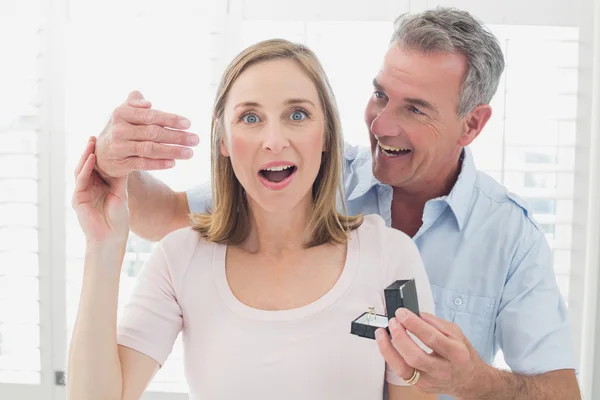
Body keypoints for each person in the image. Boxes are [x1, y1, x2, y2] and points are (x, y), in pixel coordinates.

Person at [89, 8, 582, 400]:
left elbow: (562, 392)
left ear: (471, 125)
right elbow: (165, 217)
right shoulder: (293, 177)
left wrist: (472, 380)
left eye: (414, 108)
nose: (381, 124)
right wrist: (113, 163)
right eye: (379, 95)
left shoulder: (501, 238)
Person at [67, 39, 437, 400]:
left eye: (297, 115)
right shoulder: (179, 259)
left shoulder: (390, 258)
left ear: (326, 134)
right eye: (250, 117)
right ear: (224, 141)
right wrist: (103, 243)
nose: (274, 140)